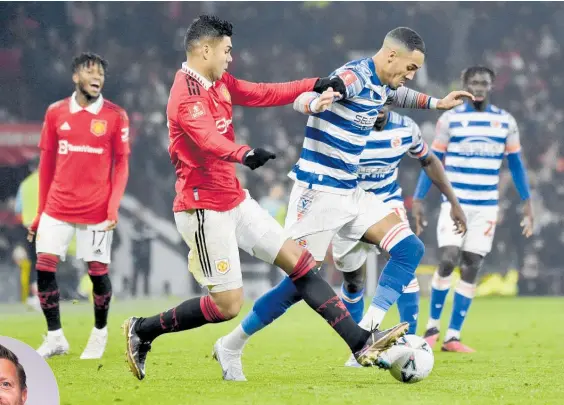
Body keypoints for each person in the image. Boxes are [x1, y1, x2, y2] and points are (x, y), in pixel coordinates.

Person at [123, 15, 408, 382]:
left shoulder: (218, 82)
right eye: (226, 51)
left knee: (301, 264)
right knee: (228, 306)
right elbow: (208, 138)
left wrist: (314, 83)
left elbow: (260, 93)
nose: (230, 58)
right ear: (205, 49)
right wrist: (243, 154)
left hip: (235, 200)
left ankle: (360, 342)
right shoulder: (187, 95)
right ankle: (143, 329)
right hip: (203, 210)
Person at [213, 26, 471, 381]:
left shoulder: (383, 83)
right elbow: (315, 93)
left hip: (349, 192)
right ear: (391, 55)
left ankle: (367, 330)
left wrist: (436, 103)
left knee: (409, 248)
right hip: (317, 193)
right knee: (298, 283)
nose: (411, 75)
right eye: (410, 67)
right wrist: (315, 101)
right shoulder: (353, 76)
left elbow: (399, 95)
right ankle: (231, 344)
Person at [412, 66, 534, 352]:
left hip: (486, 207)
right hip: (455, 203)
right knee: (449, 258)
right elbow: (432, 159)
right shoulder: (450, 120)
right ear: (464, 85)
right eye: (474, 83)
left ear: (492, 86)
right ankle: (432, 326)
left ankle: (452, 336)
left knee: (472, 264)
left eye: (484, 83)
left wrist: (527, 201)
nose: (479, 87)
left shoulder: (505, 122)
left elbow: (515, 163)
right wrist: (418, 197)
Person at [28, 52, 130, 360]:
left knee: (97, 272)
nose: (96, 77)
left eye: (101, 73)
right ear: (76, 77)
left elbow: (122, 165)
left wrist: (113, 208)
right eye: (90, 72)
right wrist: (39, 213)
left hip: (97, 211)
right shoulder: (56, 112)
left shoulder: (115, 115)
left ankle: (99, 334)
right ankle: (56, 337)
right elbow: (46, 166)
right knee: (44, 267)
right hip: (57, 207)